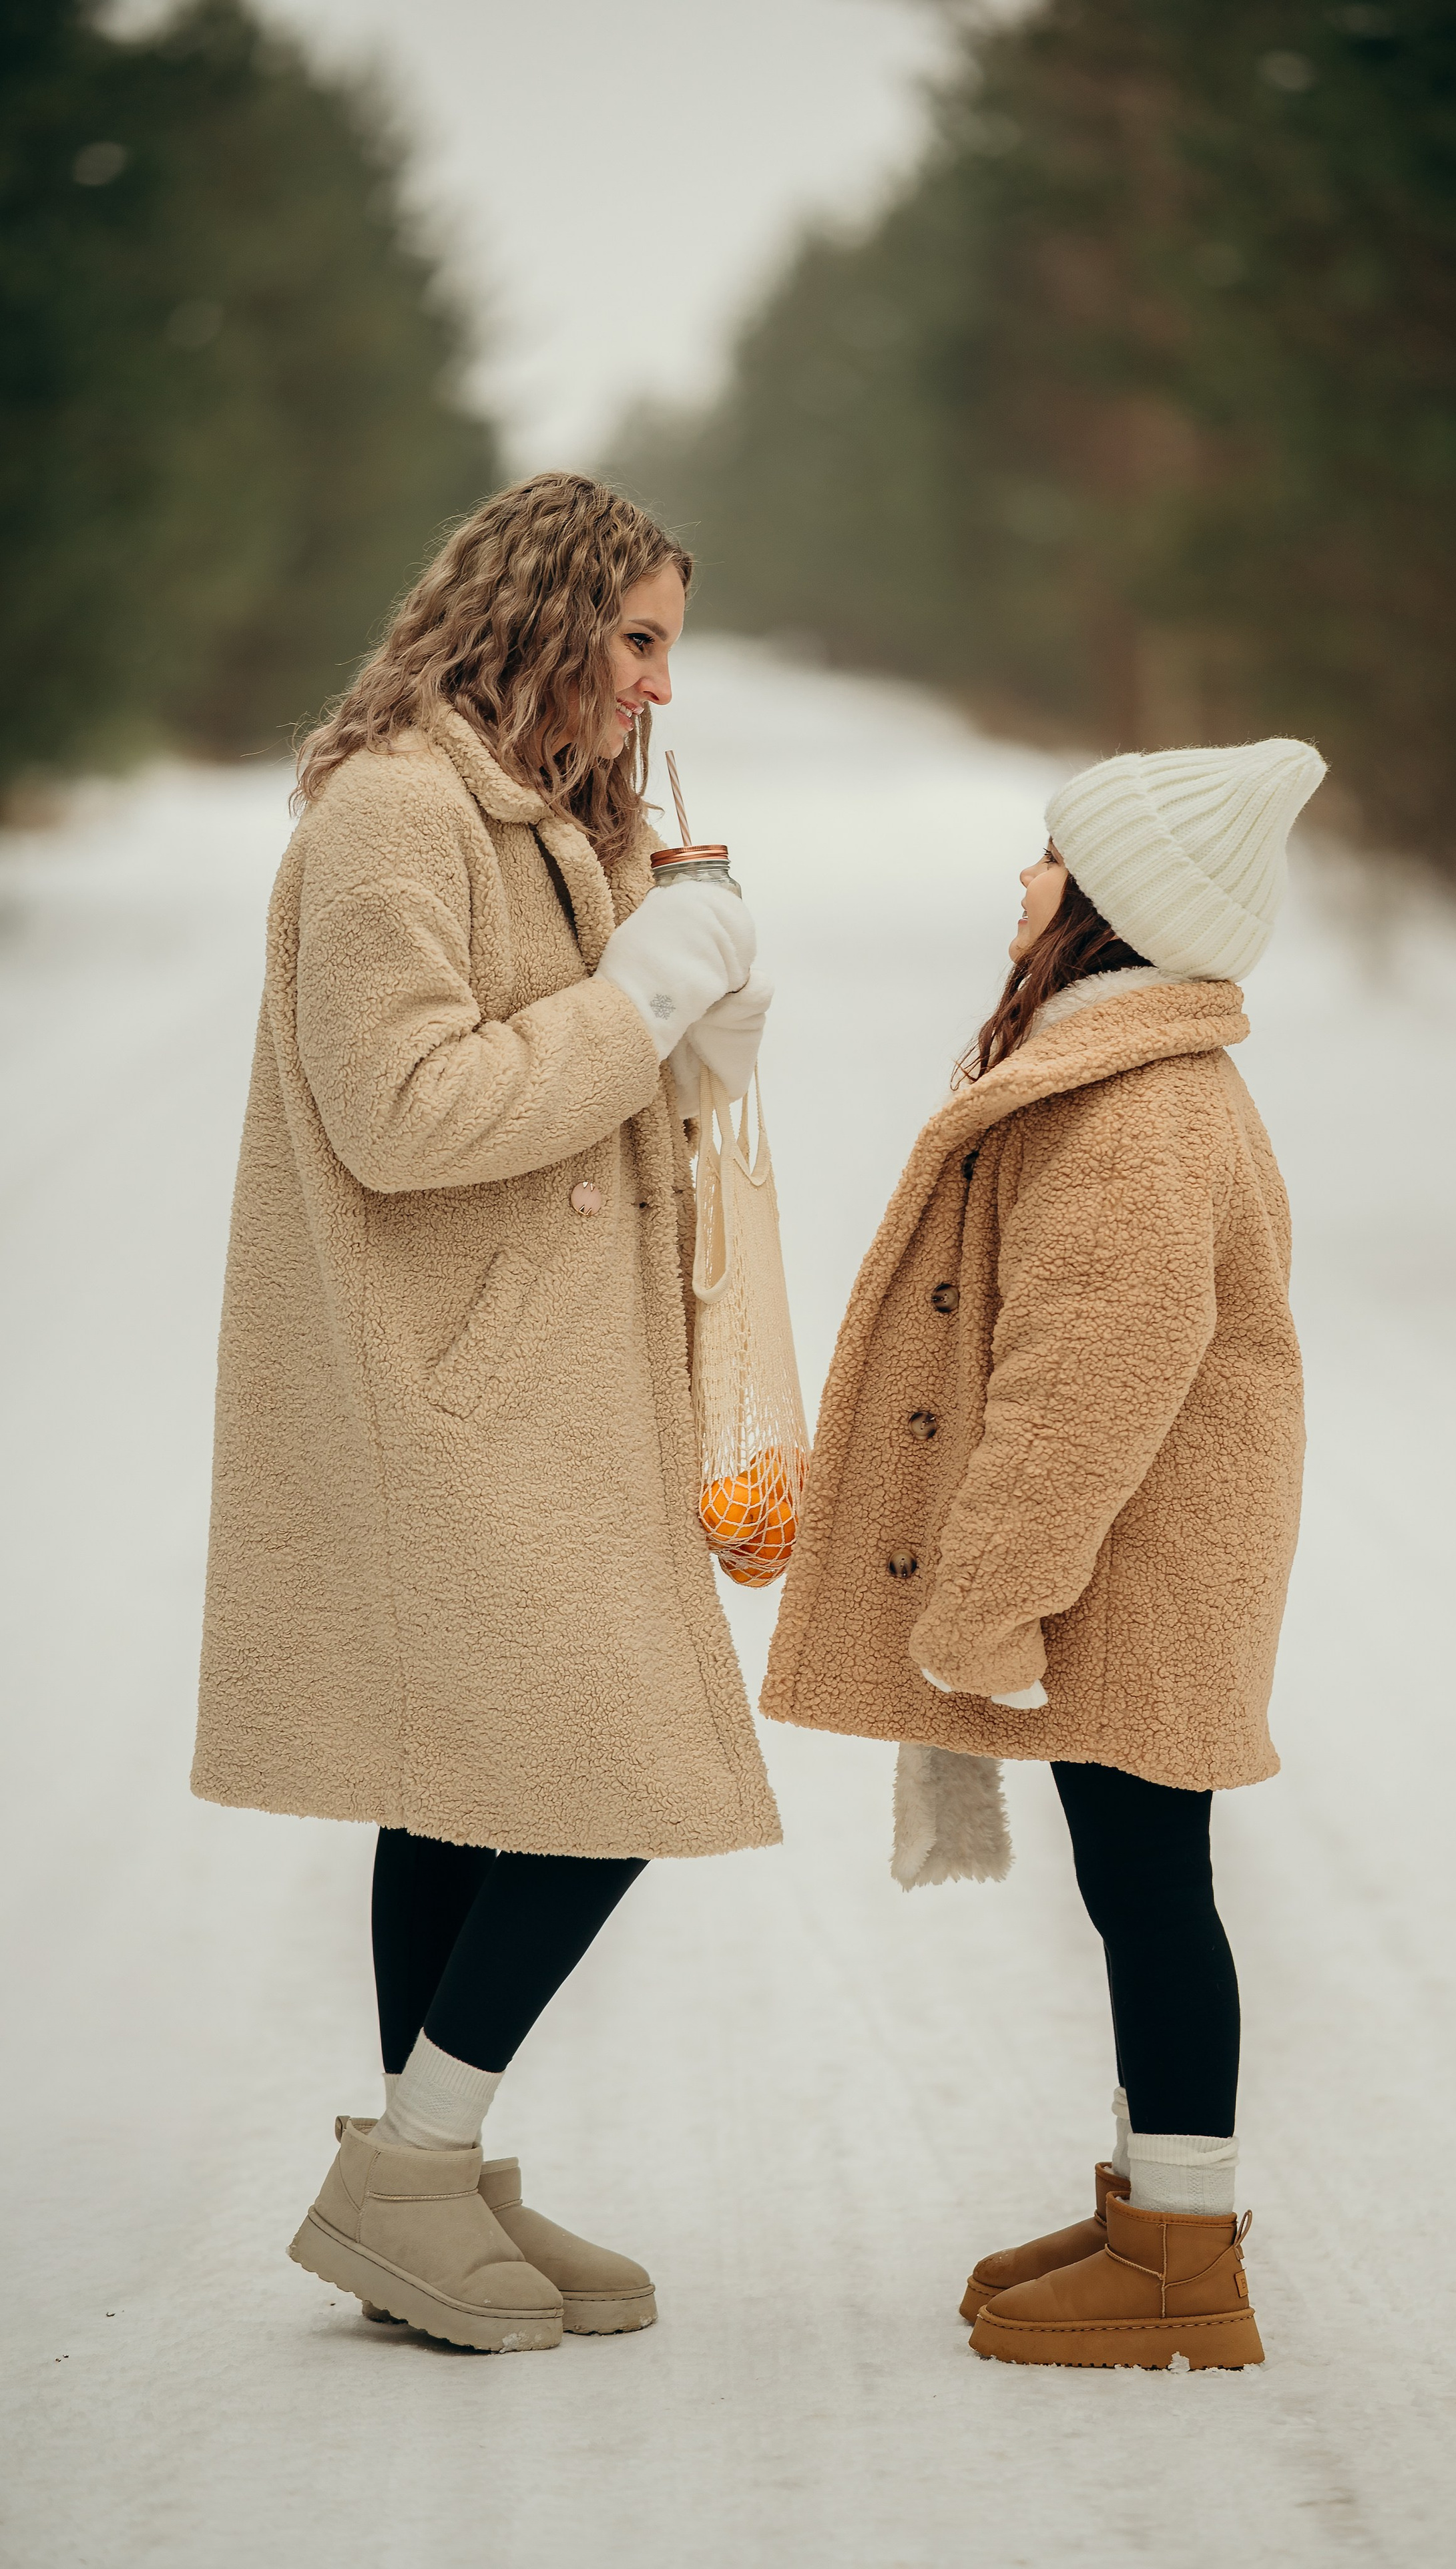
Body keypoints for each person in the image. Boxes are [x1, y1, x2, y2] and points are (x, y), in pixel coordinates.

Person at [192, 473, 781, 2355]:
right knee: (608, 1767)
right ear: (535, 619)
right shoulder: (391, 816)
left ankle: (429, 2187)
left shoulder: (542, 817)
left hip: (543, 1385)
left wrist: (699, 1011)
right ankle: (417, 2162)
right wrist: (639, 1001)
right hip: (450, 1392)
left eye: (669, 646)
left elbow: (598, 1076)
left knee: (461, 1788)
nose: (657, 689)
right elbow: (409, 1114)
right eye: (636, 641)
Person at [762, 739, 1324, 2369]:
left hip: (1132, 1565)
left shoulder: (1134, 1103)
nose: (1021, 881)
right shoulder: (1127, 1070)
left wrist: (987, 1596)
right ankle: (1159, 2206)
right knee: (1137, 1883)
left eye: (1046, 858)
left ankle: (1182, 2265)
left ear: (1112, 910)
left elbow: (1086, 1373)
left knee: (1151, 1888)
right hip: (1143, 1557)